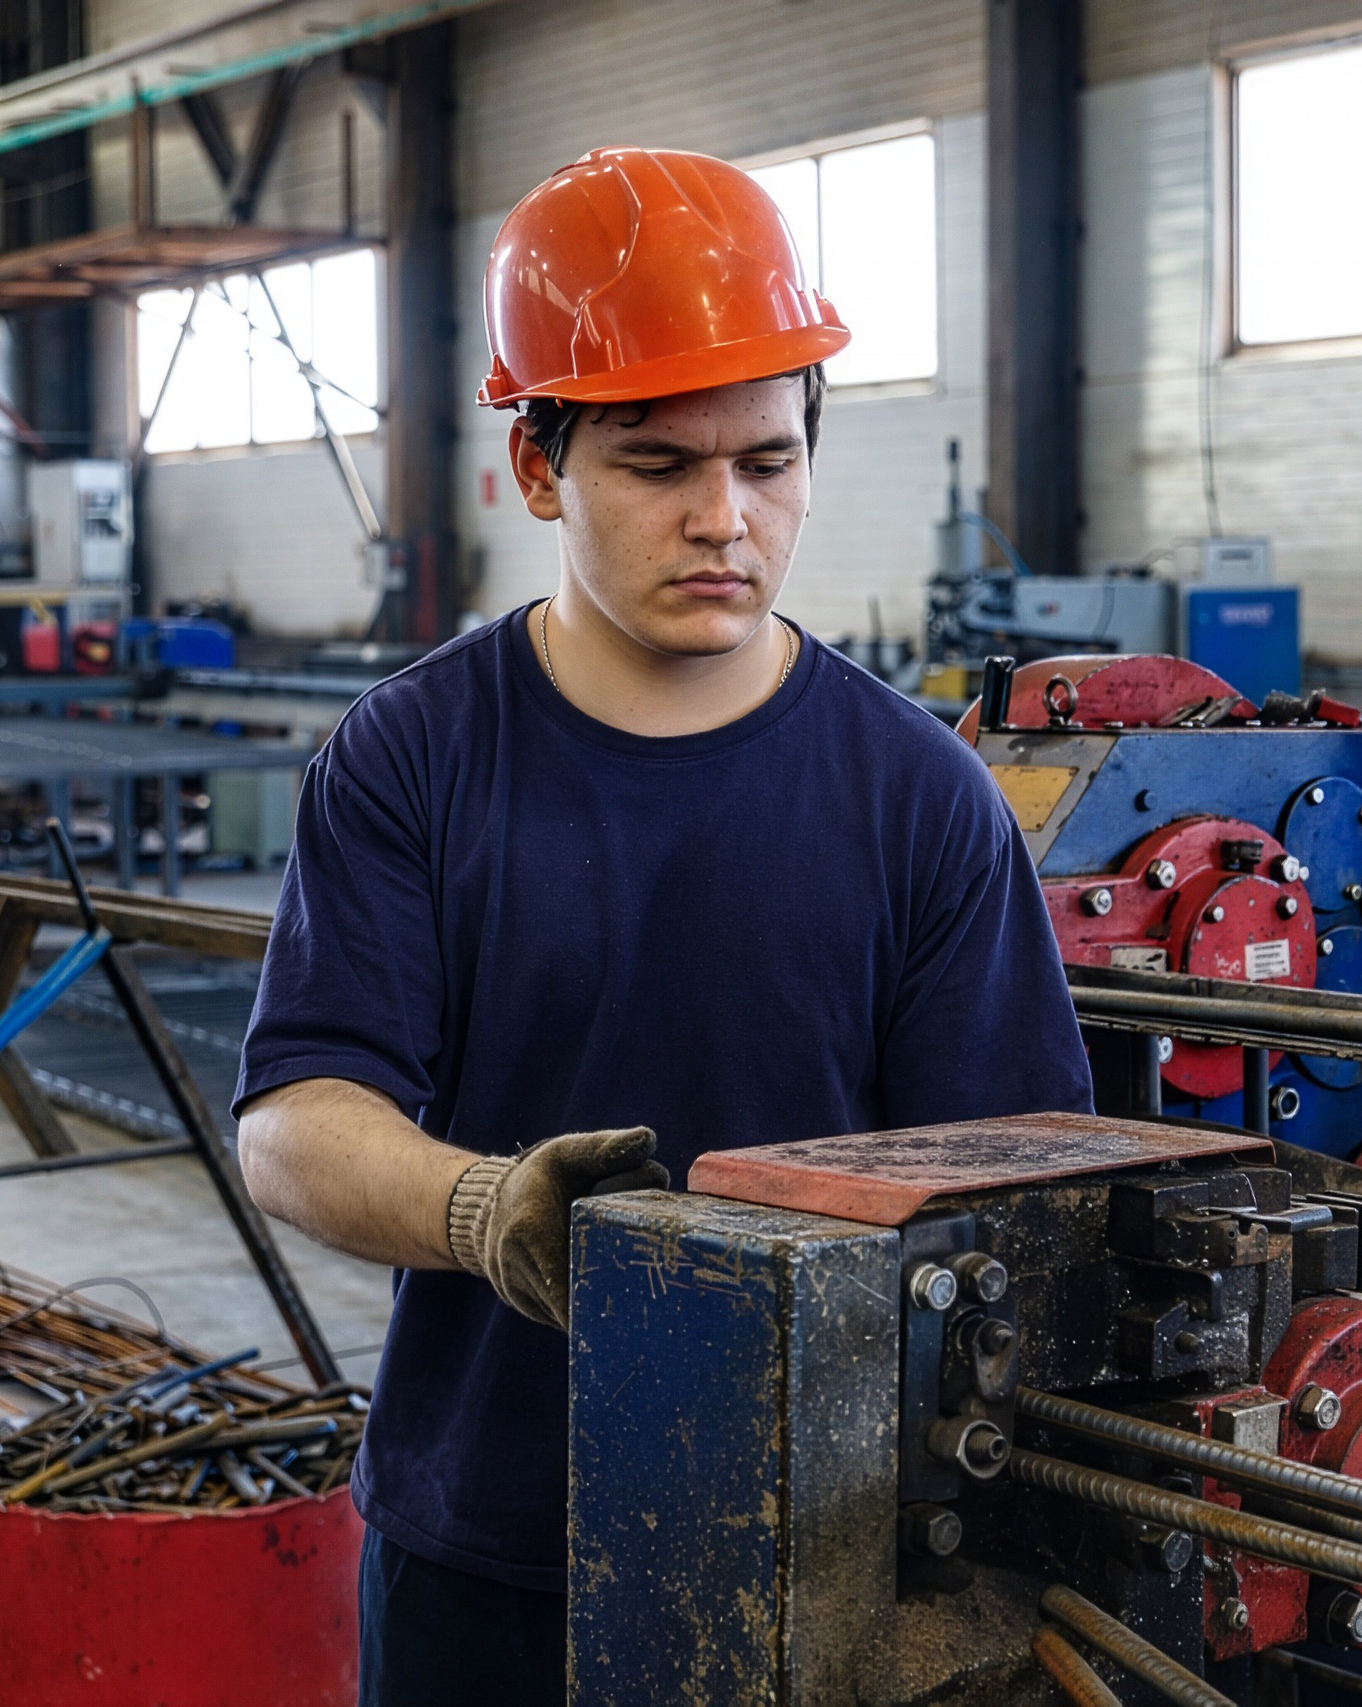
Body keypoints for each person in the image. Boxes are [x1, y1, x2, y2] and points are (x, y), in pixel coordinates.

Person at [234, 144, 1092, 1704]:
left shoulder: (920, 796)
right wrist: (487, 1209)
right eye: (657, 465)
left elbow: (1021, 1192)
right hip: (488, 1546)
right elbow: (295, 1121)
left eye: (766, 463)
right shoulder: (414, 757)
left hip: (832, 1562)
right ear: (541, 470)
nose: (723, 520)